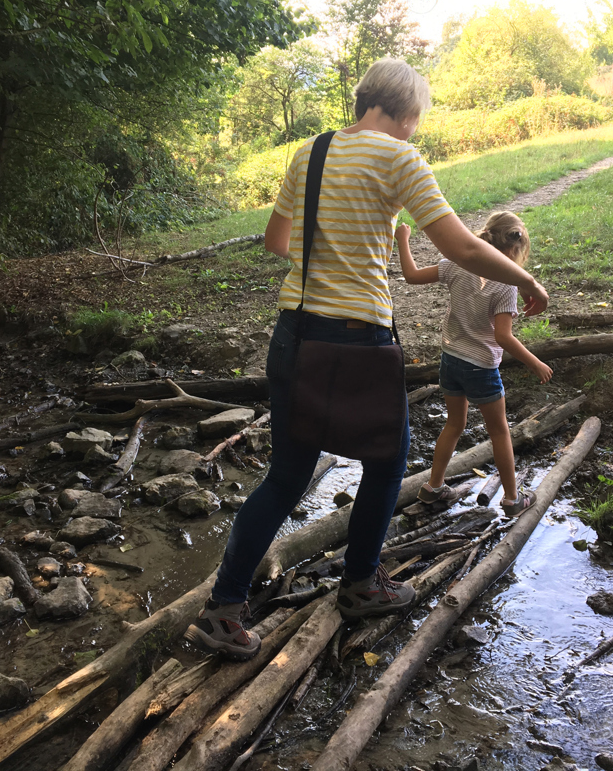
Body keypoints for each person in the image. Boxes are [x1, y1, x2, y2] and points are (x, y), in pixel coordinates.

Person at [184, 58, 550, 661]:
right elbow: (460, 244)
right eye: (416, 119)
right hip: (357, 338)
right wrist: (526, 279)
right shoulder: (398, 157)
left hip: (294, 335)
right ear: (404, 111)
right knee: (389, 458)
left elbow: (278, 241)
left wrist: (335, 246)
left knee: (285, 476)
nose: (413, 131)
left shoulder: (311, 152)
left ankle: (222, 610)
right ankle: (360, 584)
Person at [394, 212, 553, 518]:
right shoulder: (507, 286)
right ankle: (511, 499)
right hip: (481, 367)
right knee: (500, 432)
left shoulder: (458, 265)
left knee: (454, 424)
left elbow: (411, 276)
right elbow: (503, 337)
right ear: (516, 252)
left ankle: (433, 487)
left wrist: (403, 240)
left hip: (450, 359)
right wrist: (534, 363)